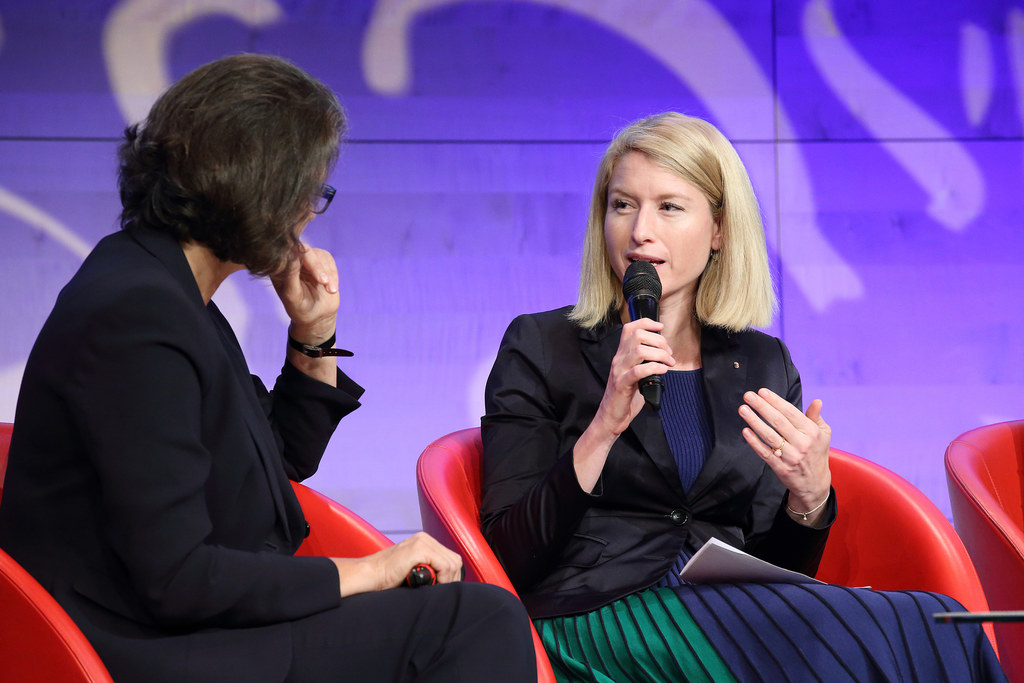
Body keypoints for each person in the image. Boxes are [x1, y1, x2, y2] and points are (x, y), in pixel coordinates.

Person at [0, 54, 535, 683]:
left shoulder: (165, 285)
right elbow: (178, 579)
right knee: (474, 622)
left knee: (463, 614)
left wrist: (312, 334)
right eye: (308, 191)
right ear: (259, 188)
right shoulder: (138, 315)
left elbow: (277, 459)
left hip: (186, 624)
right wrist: (368, 570)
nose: (309, 213)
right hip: (138, 646)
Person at [480, 112, 1004, 682]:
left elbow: (776, 571)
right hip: (599, 611)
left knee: (942, 621)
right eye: (622, 204)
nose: (639, 231)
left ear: (720, 230)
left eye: (669, 207)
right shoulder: (541, 345)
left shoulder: (762, 363)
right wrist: (603, 426)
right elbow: (507, 551)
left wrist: (808, 498)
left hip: (729, 607)